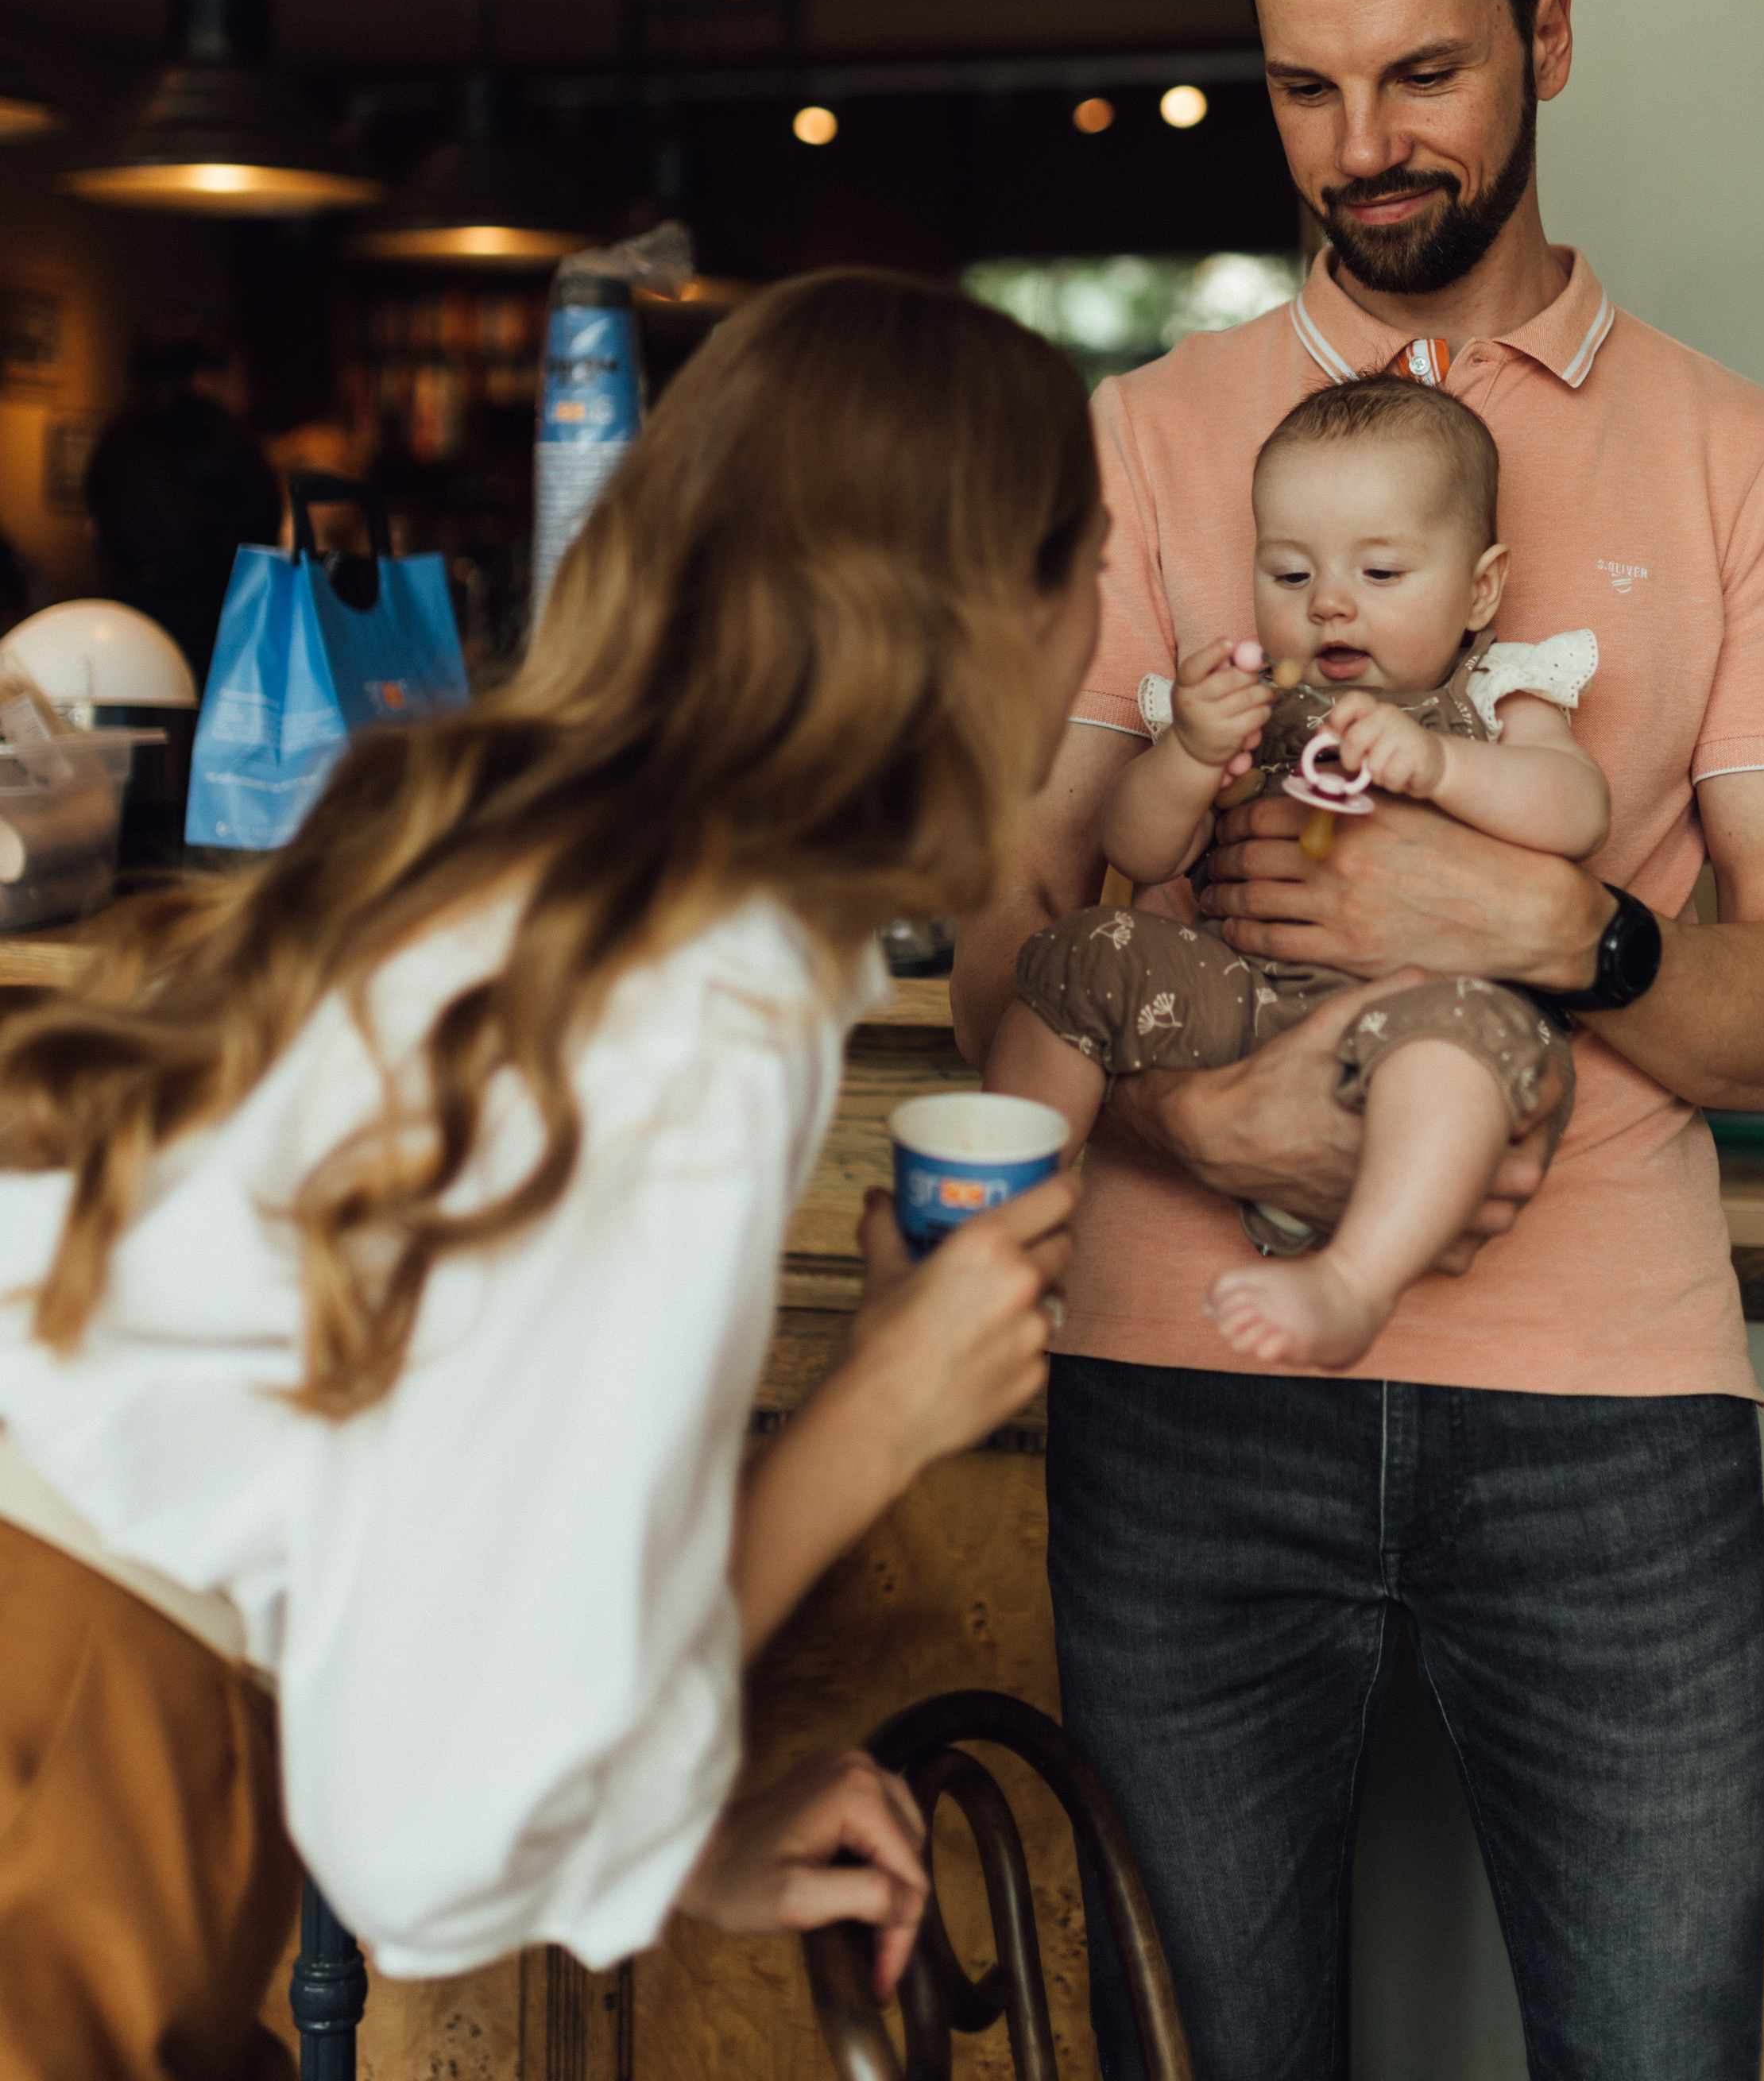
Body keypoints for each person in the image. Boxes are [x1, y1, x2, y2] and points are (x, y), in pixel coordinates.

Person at [954, 0, 1764, 2081]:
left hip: (1608, 1417)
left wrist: (1551, 919)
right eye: (1305, 86)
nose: (1365, 142)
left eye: (1424, 71)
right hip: (1183, 1389)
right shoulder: (1145, 443)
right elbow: (1010, 938)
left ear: (1544, 39)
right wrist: (1211, 1125)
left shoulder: (1732, 455)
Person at [0, 271, 1097, 2080]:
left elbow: (465, 1627)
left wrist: (675, 1840)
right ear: (992, 608)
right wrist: (879, 1415)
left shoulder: (587, 875)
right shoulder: (698, 994)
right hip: (67, 1738)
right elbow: (428, 1829)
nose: (1110, 623)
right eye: (1095, 561)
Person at [991, 373, 1605, 1368]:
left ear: (1479, 588)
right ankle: (1004, 1232)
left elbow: (1578, 813)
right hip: (1240, 1008)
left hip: (1420, 1013)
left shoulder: (1501, 691)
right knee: (1080, 957)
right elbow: (1141, 854)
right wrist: (1189, 757)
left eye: (1381, 574)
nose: (1328, 605)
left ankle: (1354, 1281)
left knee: (1462, 1048)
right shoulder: (1251, 705)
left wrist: (1447, 763)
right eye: (1287, 576)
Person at [84, 323, 281, 685]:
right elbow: (261, 523)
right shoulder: (223, 437)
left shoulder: (118, 439)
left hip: (136, 630)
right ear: (205, 378)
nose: (247, 394)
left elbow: (105, 534)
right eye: (238, 378)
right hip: (229, 630)